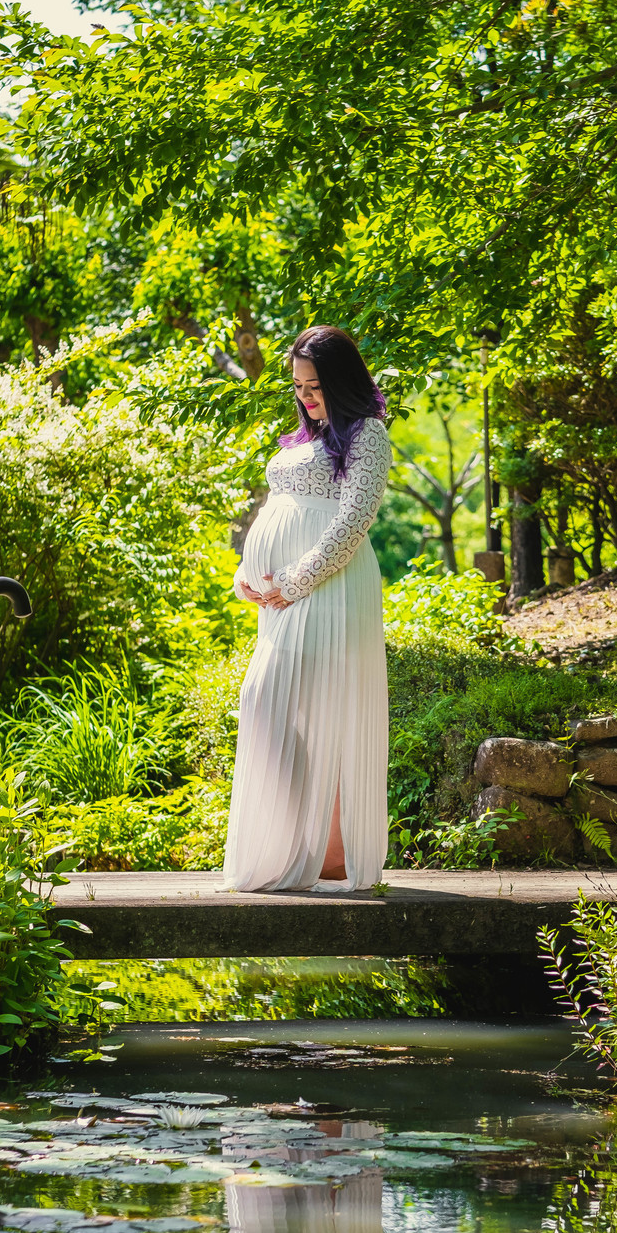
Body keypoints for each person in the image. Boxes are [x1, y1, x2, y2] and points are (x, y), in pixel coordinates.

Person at [223, 326, 391, 892]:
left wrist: (295, 580)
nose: (305, 396)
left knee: (316, 713)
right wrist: (248, 574)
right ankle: (308, 843)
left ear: (340, 381)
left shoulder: (367, 434)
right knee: (269, 706)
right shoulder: (305, 437)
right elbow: (280, 507)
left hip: (330, 588)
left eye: (315, 386)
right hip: (284, 596)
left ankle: (333, 853)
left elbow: (354, 520)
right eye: (298, 386)